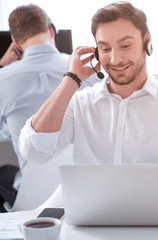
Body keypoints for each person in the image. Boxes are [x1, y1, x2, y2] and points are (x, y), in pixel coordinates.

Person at [19, 1, 158, 195]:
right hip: (91, 221)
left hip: (153, 224)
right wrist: (72, 78)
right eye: (105, 49)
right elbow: (34, 151)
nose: (115, 59)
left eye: (125, 45)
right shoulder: (81, 103)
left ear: (145, 41)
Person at [0, 4, 100, 212]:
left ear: (16, 43)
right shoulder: (90, 73)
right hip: (84, 190)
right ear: (51, 30)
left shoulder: (3, 79)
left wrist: (2, 66)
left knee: (5, 173)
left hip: (30, 200)